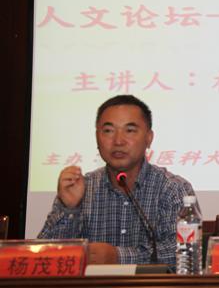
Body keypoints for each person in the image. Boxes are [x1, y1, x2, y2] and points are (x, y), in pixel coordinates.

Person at [38, 95, 195, 266]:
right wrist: (69, 209)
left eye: (130, 130)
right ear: (97, 137)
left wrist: (119, 257)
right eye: (108, 131)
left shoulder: (173, 189)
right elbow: (45, 257)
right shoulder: (81, 187)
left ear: (149, 138)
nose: (118, 141)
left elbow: (185, 252)